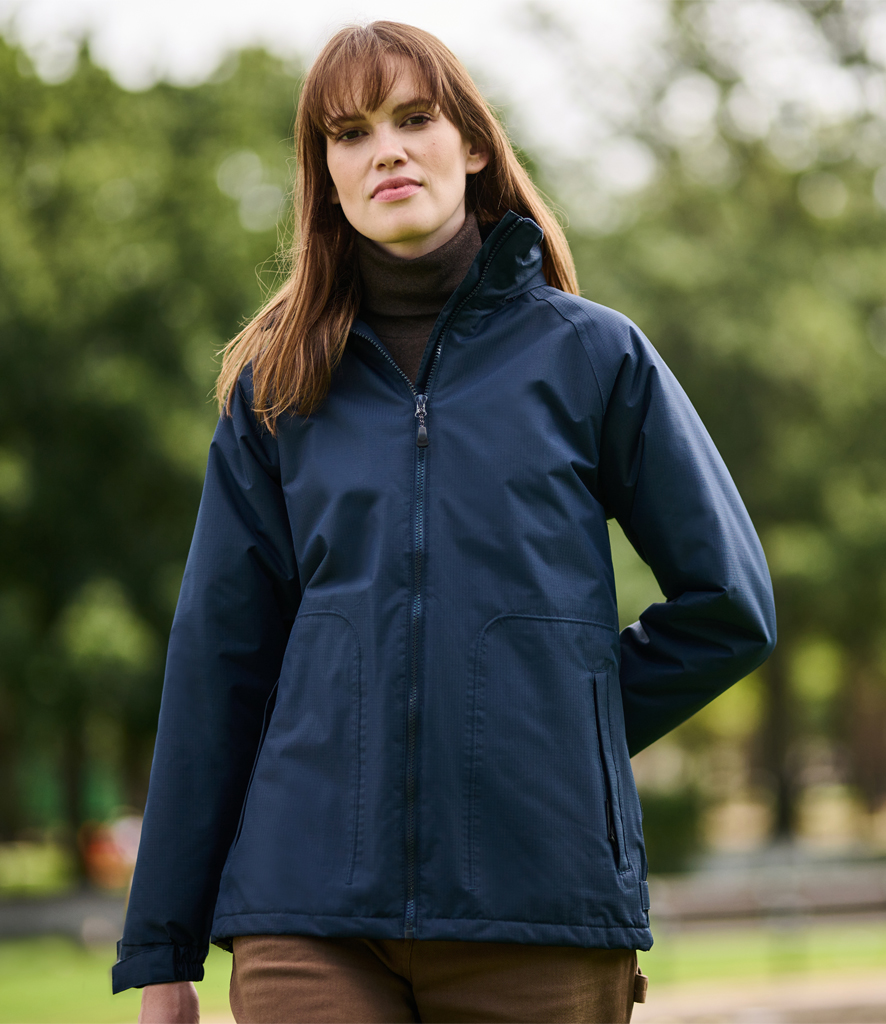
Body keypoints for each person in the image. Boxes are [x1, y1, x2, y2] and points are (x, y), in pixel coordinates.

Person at [112, 20, 776, 1024]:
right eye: (350, 133)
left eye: (413, 118)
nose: (384, 150)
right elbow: (217, 657)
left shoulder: (593, 358)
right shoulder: (277, 388)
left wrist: (560, 728)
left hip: (537, 903)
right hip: (305, 906)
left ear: (469, 144)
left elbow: (729, 606)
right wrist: (162, 948)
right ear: (326, 176)